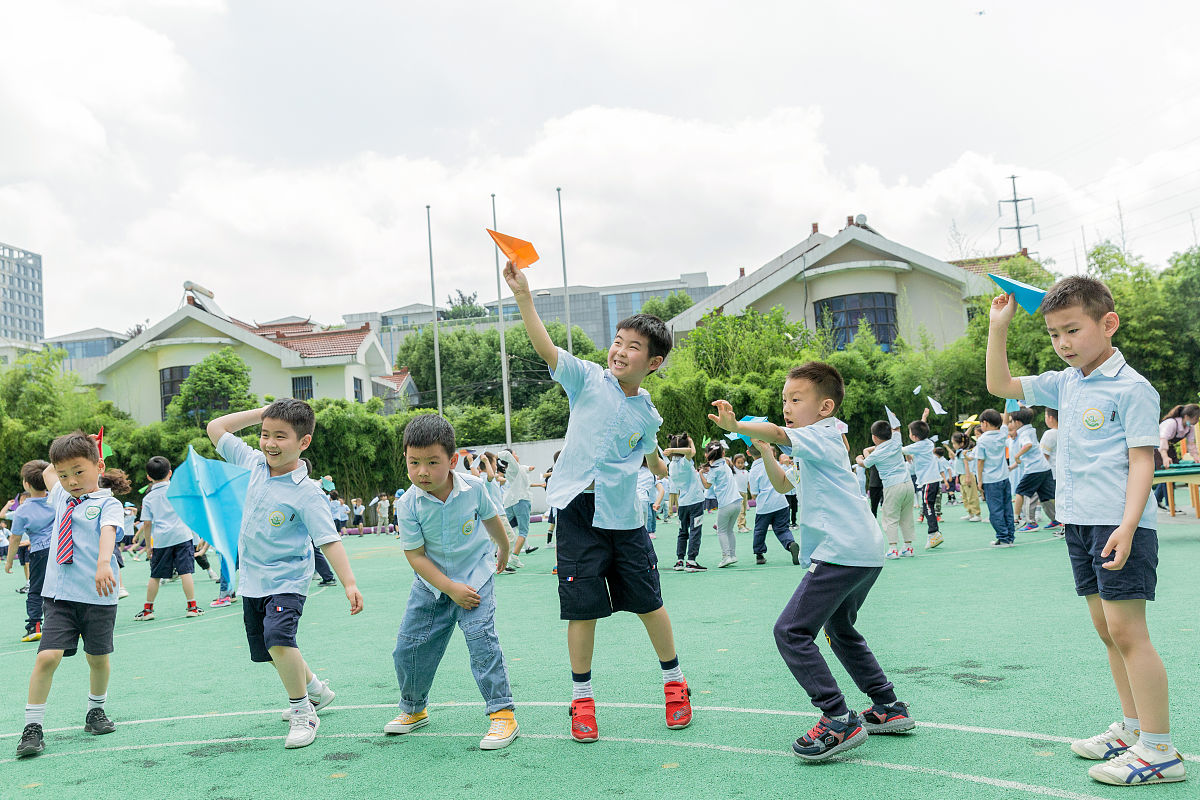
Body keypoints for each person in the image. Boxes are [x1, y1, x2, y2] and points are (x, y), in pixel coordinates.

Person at [987, 276, 1184, 785]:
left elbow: (1143, 462)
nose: (1063, 343)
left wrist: (1127, 524)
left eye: (1072, 330)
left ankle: (1161, 751)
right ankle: (1134, 730)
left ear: (1108, 323)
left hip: (1119, 527)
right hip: (1078, 525)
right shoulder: (1064, 382)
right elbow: (999, 387)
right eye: (1054, 335)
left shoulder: (1133, 388)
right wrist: (998, 329)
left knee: (1128, 632)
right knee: (1107, 633)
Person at [505, 258, 692, 744]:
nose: (620, 351)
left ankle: (675, 686)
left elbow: (647, 456)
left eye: (633, 347)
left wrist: (666, 472)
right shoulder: (585, 378)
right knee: (581, 608)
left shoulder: (647, 412)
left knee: (649, 602)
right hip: (576, 513)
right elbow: (546, 348)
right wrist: (525, 297)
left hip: (625, 516)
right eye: (618, 342)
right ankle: (582, 701)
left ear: (653, 362)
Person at [709, 363, 911, 762]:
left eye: (796, 399)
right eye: (784, 399)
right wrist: (767, 452)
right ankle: (887, 707)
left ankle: (837, 718)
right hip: (863, 552)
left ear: (825, 407)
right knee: (840, 629)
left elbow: (782, 433)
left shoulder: (819, 434)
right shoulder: (822, 443)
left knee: (790, 631)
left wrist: (742, 426)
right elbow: (785, 484)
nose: (786, 406)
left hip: (842, 551)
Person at [206, 399, 364, 750]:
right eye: (265, 434)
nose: (269, 443)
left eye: (280, 436)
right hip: (252, 579)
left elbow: (329, 540)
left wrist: (349, 583)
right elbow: (216, 427)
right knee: (273, 646)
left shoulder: (307, 492)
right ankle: (317, 691)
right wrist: (260, 413)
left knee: (278, 639)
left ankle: (303, 712)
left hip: (287, 580)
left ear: (303, 443)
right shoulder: (253, 463)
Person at [385, 414, 519, 750]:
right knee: (408, 647)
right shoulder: (408, 503)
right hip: (431, 583)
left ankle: (502, 714)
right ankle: (414, 709)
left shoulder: (474, 488)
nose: (423, 471)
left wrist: (503, 549)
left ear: (453, 459)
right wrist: (448, 588)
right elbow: (415, 556)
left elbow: (492, 521)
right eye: (414, 463)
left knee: (480, 638)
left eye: (432, 462)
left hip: (475, 577)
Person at [16, 434, 127, 758]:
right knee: (46, 657)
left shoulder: (108, 503)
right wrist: (73, 447)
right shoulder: (60, 497)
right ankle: (32, 727)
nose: (71, 481)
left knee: (97, 658)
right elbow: (51, 471)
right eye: (64, 475)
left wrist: (104, 563)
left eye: (79, 471)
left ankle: (95, 711)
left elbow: (108, 532)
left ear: (98, 466)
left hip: (97, 595)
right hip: (60, 595)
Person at [135, 456, 204, 621]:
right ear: (170, 473)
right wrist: (198, 536)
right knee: (185, 572)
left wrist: (148, 547)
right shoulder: (179, 491)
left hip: (161, 540)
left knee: (155, 575)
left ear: (149, 477)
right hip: (182, 536)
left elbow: (147, 524)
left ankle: (148, 610)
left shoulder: (148, 498)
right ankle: (192, 607)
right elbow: (190, 515)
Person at [6, 462, 54, 642]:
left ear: (26, 484)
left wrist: (10, 561)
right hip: (62, 549)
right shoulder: (58, 500)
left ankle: (34, 626)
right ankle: (75, 623)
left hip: (40, 552)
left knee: (36, 590)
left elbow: (15, 539)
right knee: (66, 586)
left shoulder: (22, 510)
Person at [859, 420, 915, 559]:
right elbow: (897, 428)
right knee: (907, 516)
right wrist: (893, 419)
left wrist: (858, 457)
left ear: (874, 437)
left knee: (890, 517)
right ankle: (908, 547)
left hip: (892, 486)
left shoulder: (877, 453)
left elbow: (865, 463)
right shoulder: (896, 441)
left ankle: (893, 548)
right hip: (908, 484)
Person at [746, 442, 801, 566]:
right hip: (781, 502)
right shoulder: (775, 463)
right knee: (782, 529)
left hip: (764, 506)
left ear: (748, 453)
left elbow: (754, 493)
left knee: (760, 530)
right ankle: (790, 544)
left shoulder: (753, 470)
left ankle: (759, 555)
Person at [1009, 408, 1057, 533]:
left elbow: (1028, 445)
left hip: (1034, 470)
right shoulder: (1030, 430)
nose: (1011, 424)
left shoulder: (1024, 434)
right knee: (1046, 496)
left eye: (1011, 421)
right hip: (1044, 468)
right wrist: (1011, 467)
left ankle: (1027, 521)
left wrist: (1016, 455)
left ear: (1018, 422)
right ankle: (1056, 519)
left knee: (1021, 492)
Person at [974, 410, 1015, 547]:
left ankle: (1003, 537)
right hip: (1004, 477)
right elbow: (1005, 419)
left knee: (996, 510)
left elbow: (980, 461)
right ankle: (1009, 536)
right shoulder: (1002, 434)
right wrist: (1007, 403)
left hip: (990, 480)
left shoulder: (982, 440)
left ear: (984, 423)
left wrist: (979, 480)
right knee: (1007, 508)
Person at [903, 410, 943, 549]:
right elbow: (922, 429)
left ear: (914, 436)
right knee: (928, 506)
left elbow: (902, 450)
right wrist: (924, 417)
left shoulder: (919, 446)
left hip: (928, 480)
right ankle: (934, 533)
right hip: (932, 480)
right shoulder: (928, 443)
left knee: (927, 507)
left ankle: (934, 533)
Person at [699, 441, 741, 569]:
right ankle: (732, 555)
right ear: (722, 453)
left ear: (708, 454)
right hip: (737, 502)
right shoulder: (726, 463)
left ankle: (726, 556)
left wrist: (701, 473)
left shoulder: (713, 469)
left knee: (721, 531)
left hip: (725, 504)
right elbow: (721, 458)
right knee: (729, 530)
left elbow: (707, 485)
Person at [1153, 403, 1199, 508]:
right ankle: (1170, 504)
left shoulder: (1189, 428)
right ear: (1187, 416)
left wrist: (1196, 457)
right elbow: (1162, 440)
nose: (1197, 420)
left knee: (1173, 474)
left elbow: (1191, 444)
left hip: (1170, 448)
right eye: (1196, 418)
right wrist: (1164, 457)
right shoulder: (1171, 423)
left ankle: (1157, 500)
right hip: (1158, 449)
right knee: (1165, 474)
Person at [499, 450, 538, 559]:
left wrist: (529, 468)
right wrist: (490, 456)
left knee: (506, 529)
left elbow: (524, 468)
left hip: (510, 502)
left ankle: (500, 553)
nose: (517, 455)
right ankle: (514, 557)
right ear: (510, 457)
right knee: (523, 531)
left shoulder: (514, 468)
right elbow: (507, 455)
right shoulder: (514, 467)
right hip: (520, 501)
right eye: (515, 454)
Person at [953, 431, 982, 523]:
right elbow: (965, 436)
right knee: (965, 496)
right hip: (961, 475)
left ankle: (977, 514)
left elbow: (966, 465)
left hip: (967, 475)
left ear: (961, 444)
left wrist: (968, 476)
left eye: (954, 443)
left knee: (971, 495)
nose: (953, 445)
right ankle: (970, 513)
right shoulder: (958, 451)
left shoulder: (963, 452)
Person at [732, 453, 751, 533]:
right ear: (734, 463)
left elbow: (748, 483)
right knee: (741, 510)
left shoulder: (746, 472)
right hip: (737, 493)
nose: (740, 464)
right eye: (738, 462)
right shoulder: (733, 471)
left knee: (744, 510)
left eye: (742, 463)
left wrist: (751, 492)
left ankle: (744, 525)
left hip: (744, 493)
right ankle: (741, 526)